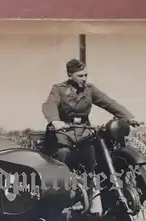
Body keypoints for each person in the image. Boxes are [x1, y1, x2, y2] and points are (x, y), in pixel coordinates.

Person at [41, 58, 137, 194]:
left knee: (92, 155)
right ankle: (59, 194)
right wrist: (55, 121)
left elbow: (109, 103)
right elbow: (50, 105)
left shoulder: (89, 90)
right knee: (63, 155)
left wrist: (129, 117)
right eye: (80, 76)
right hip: (63, 133)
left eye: (86, 75)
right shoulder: (59, 89)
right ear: (70, 75)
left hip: (84, 132)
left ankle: (91, 196)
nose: (84, 79)